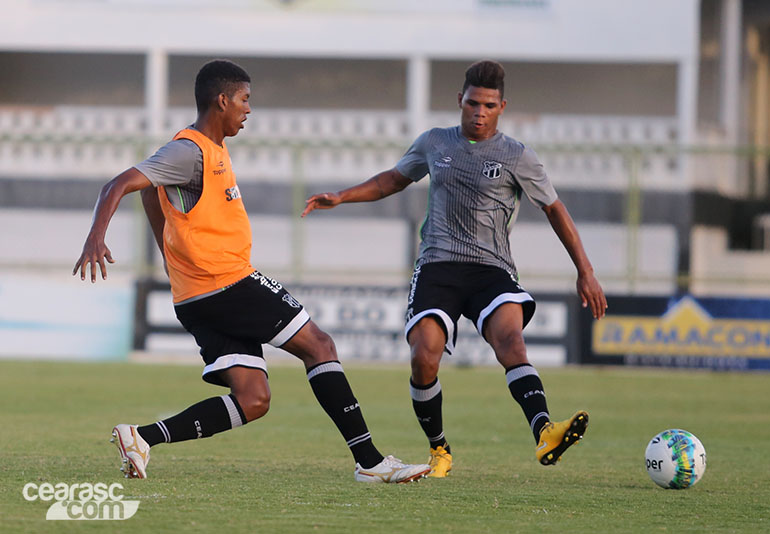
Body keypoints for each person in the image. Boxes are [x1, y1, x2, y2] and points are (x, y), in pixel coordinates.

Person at [73, 59, 430, 484]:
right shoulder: (189, 150)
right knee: (319, 345)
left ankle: (141, 437)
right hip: (227, 283)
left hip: (196, 296)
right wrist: (97, 234)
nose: (248, 109)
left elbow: (152, 195)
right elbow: (118, 184)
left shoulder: (207, 150)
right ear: (221, 100)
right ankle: (370, 462)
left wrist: (173, 264)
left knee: (253, 398)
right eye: (244, 99)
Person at [302, 60, 607, 478]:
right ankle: (439, 449)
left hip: (491, 270)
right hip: (438, 266)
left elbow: (555, 209)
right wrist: (342, 196)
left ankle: (545, 431)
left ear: (503, 107)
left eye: (488, 105)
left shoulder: (517, 156)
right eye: (472, 103)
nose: (479, 113)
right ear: (459, 101)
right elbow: (393, 179)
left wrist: (585, 270)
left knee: (511, 343)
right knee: (423, 358)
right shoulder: (435, 143)